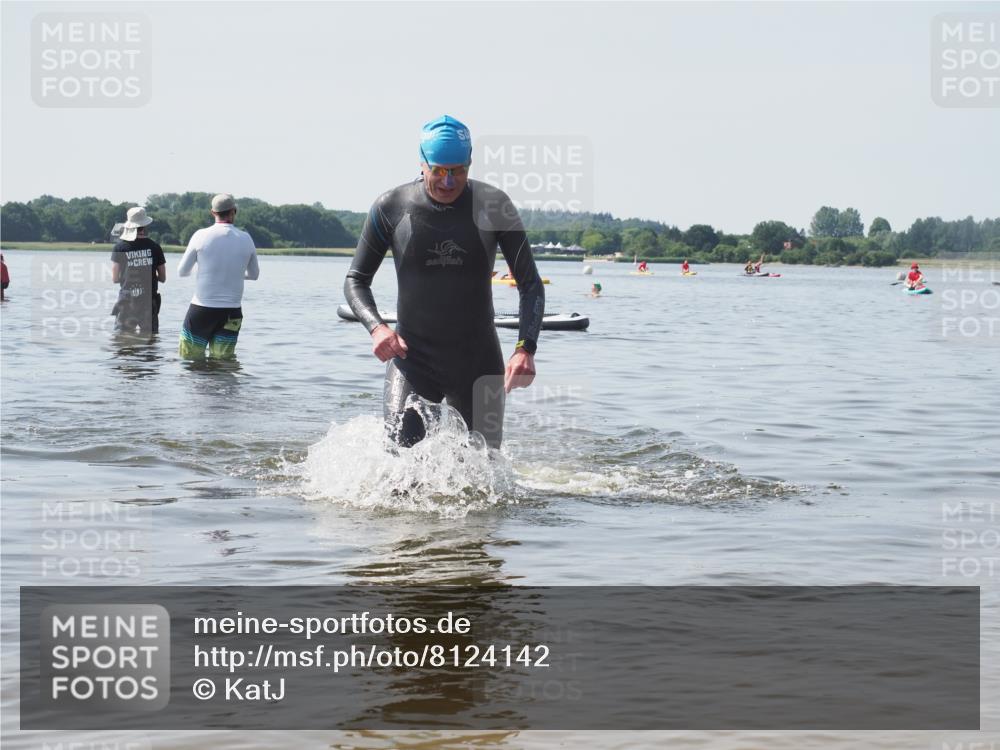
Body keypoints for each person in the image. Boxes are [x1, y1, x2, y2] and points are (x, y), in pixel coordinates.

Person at [345, 115, 544, 449]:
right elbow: (356, 280)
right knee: (398, 463)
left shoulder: (494, 206)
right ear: (422, 163)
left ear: (469, 163)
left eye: (458, 171)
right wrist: (377, 327)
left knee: (484, 476)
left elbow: (530, 284)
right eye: (438, 171)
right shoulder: (390, 207)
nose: (449, 182)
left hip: (478, 363)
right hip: (413, 362)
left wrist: (526, 349)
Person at [177, 194, 259, 360]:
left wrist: (206, 271)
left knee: (190, 360)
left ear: (213, 212)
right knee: (224, 363)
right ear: (234, 211)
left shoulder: (200, 235)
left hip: (202, 309)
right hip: (232, 312)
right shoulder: (246, 238)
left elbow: (182, 272)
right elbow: (254, 275)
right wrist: (233, 273)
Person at [110, 207, 166, 334]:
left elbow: (114, 278)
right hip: (148, 300)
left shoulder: (120, 247)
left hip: (127, 300)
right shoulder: (155, 247)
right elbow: (163, 277)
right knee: (150, 341)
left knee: (123, 341)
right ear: (145, 226)